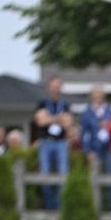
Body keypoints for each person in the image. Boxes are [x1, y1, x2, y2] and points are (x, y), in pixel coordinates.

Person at [34, 76, 70, 209]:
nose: (55, 89)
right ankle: (50, 206)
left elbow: (68, 123)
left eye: (57, 86)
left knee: (63, 174)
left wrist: (49, 117)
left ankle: (60, 206)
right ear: (49, 88)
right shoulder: (42, 104)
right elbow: (40, 121)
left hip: (61, 143)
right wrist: (59, 118)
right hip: (45, 142)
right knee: (44, 174)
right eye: (53, 86)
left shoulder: (65, 105)